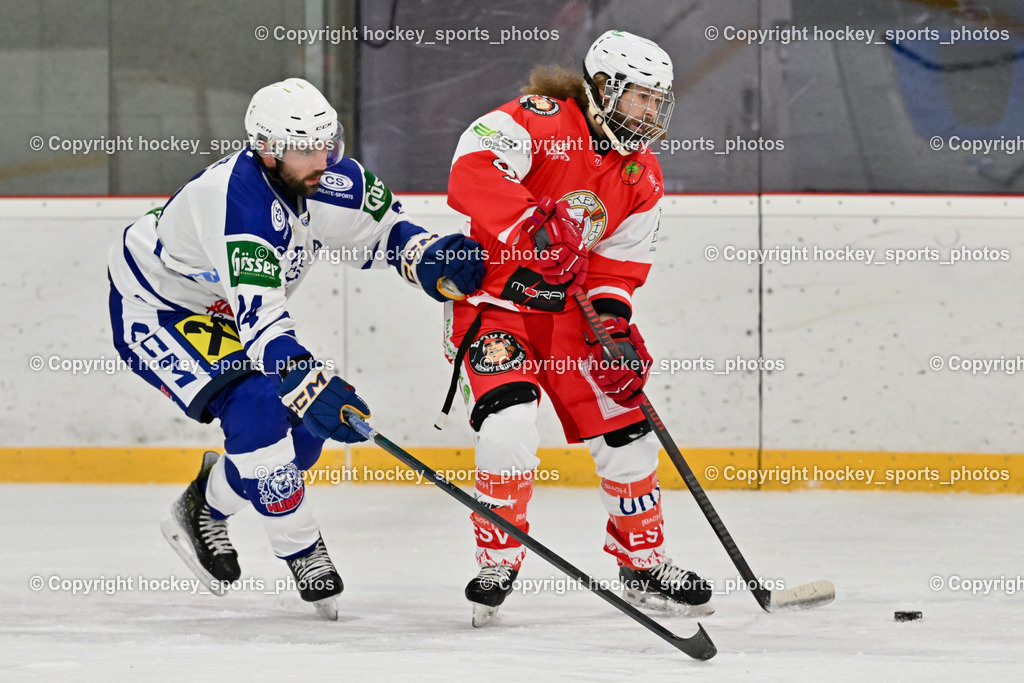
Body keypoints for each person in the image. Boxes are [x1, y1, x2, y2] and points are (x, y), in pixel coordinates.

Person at [108, 78, 484, 619]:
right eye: (307, 150)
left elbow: (383, 232)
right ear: (266, 149)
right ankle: (302, 549)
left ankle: (204, 505)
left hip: (226, 305)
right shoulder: (235, 203)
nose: (324, 160)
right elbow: (261, 320)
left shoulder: (328, 174)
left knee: (304, 437)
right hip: (159, 307)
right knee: (260, 408)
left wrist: (427, 255)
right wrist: (307, 380)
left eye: (329, 143)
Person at [441, 30, 713, 625]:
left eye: (656, 100)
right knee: (508, 428)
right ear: (601, 89)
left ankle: (641, 562)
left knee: (628, 432)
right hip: (497, 307)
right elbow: (470, 171)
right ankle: (498, 559)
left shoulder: (641, 174)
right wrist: (532, 226)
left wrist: (614, 329)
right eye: (639, 97)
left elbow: (617, 266)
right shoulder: (536, 121)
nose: (650, 112)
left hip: (572, 320)